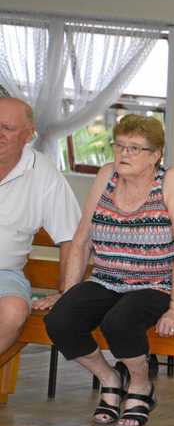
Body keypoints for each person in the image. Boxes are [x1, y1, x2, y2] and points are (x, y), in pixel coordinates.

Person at [43, 114, 174, 426]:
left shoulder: (171, 181)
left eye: (135, 148)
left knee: (120, 321)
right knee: (59, 320)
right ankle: (110, 378)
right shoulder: (106, 176)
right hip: (107, 280)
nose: (124, 154)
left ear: (156, 156)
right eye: (121, 146)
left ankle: (140, 384)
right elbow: (82, 240)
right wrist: (66, 292)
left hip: (158, 284)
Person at [0, 97, 81, 357]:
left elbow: (72, 236)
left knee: (13, 311)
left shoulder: (42, 172)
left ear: (28, 134)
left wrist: (65, 294)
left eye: (7, 128)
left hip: (5, 274)